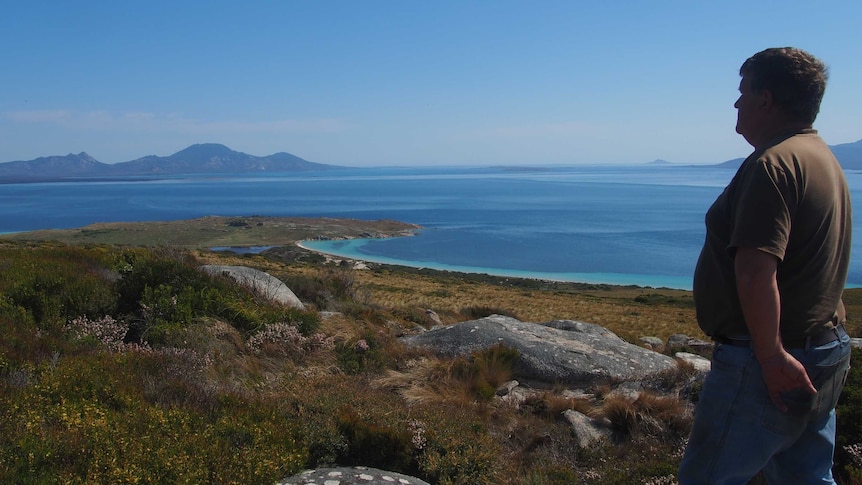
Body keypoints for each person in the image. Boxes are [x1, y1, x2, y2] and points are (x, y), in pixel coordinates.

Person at [677, 47, 853, 484]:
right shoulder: (822, 157)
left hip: (767, 361)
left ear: (766, 100)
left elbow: (757, 271)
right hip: (823, 347)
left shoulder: (772, 165)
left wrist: (771, 356)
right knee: (805, 476)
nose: (736, 104)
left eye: (743, 92)